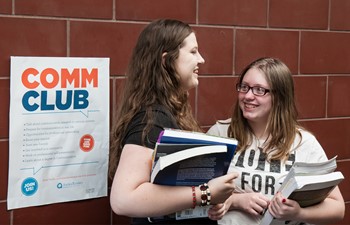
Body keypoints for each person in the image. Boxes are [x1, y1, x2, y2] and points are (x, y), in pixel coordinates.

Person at [109, 19, 237, 225]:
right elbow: (123, 200)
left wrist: (214, 199)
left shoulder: (171, 112)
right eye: (193, 52)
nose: (201, 59)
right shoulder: (152, 119)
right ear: (167, 60)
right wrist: (205, 193)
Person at [207, 57, 345, 225]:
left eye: (259, 90)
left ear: (279, 97)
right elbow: (195, 192)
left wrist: (299, 213)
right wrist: (236, 201)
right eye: (244, 87)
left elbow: (338, 208)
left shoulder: (304, 143)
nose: (248, 96)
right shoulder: (220, 133)